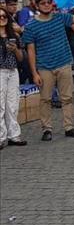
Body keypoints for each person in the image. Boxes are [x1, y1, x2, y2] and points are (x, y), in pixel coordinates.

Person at [21, 0, 74, 141]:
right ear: (37, 6)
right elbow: (31, 51)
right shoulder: (31, 26)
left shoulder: (60, 17)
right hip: (44, 67)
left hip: (64, 63)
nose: (46, 5)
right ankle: (47, 129)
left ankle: (69, 127)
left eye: (48, 2)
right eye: (43, 3)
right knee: (45, 99)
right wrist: (34, 73)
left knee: (67, 98)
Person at [0, 8, 26, 149]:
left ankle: (14, 135)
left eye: (4, 16)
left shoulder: (14, 35)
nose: (2, 18)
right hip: (0, 71)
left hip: (12, 71)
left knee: (13, 104)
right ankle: (1, 137)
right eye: (0, 16)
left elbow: (21, 58)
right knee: (1, 105)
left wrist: (15, 49)